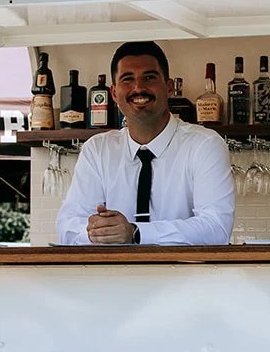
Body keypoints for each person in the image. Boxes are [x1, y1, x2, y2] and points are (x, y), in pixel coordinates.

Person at [54, 41, 235, 245]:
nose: (138, 88)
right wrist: (98, 232)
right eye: (127, 79)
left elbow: (216, 228)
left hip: (187, 275)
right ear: (114, 93)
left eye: (149, 77)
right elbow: (67, 227)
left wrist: (135, 233)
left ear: (169, 88)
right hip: (111, 276)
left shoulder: (205, 145)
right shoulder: (97, 150)